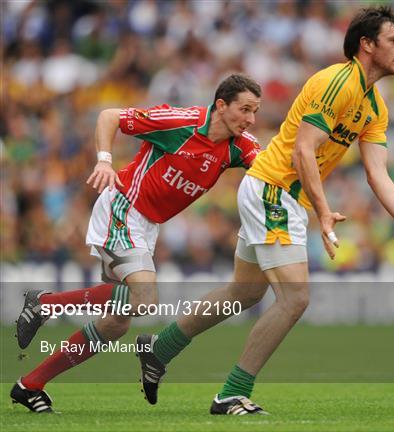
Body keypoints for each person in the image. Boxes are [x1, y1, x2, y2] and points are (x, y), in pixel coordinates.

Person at [132, 6, 394, 417]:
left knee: (245, 293)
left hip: (278, 194)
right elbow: (304, 149)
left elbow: (378, 175)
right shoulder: (335, 82)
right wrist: (323, 211)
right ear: (367, 44)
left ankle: (158, 349)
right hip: (274, 189)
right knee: (295, 298)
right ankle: (232, 393)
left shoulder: (375, 107)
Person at [10, 73, 262, 413]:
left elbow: (272, 167)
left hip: (147, 227)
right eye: (245, 110)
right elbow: (109, 116)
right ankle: (46, 304)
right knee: (144, 298)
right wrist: (103, 159)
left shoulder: (238, 145)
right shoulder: (181, 122)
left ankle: (30, 384)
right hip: (124, 207)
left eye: (255, 112)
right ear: (221, 105)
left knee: (116, 324)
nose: (250, 120)